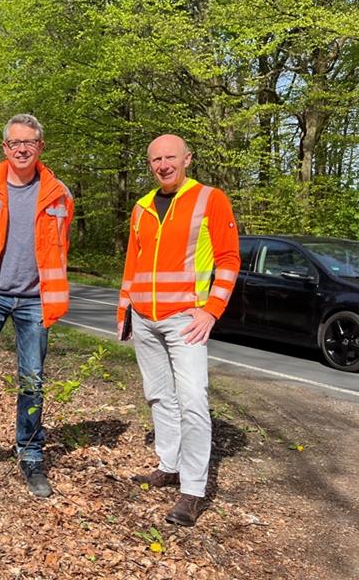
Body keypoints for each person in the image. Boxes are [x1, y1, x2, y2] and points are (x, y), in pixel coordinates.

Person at [117, 134, 239, 527]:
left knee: (192, 400)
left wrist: (212, 310)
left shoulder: (210, 198)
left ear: (187, 158)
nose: (163, 164)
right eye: (156, 159)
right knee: (159, 396)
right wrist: (125, 312)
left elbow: (229, 257)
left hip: (187, 318)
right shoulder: (141, 206)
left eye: (170, 157)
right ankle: (168, 466)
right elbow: (132, 265)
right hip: (145, 317)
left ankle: (193, 490)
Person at [0, 113, 74, 498]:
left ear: (41, 147)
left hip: (35, 299)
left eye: (30, 143)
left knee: (32, 379)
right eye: (15, 143)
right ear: (4, 148)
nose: (22, 149)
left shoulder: (60, 194)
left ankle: (31, 451)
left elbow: (61, 245)